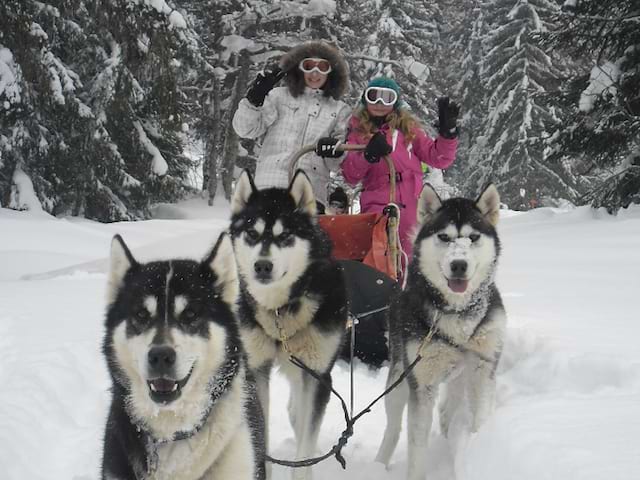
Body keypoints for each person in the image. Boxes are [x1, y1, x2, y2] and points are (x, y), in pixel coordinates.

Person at [341, 76, 459, 257]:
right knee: (381, 253)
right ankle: (380, 281)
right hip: (377, 202)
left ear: (395, 102)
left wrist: (447, 135)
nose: (380, 103)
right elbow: (351, 175)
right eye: (374, 96)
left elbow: (438, 158)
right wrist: (368, 155)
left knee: (412, 256)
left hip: (412, 203)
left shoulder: (408, 129)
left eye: (387, 98)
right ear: (365, 100)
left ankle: (410, 284)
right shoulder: (359, 132)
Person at [232, 40, 351, 212]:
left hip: (309, 192)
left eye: (322, 67)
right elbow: (245, 129)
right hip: (270, 185)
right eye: (309, 66)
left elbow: (335, 164)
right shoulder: (278, 97)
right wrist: (253, 101)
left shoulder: (339, 110)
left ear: (331, 72)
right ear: (299, 68)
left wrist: (335, 151)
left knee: (302, 238)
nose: (315, 73)